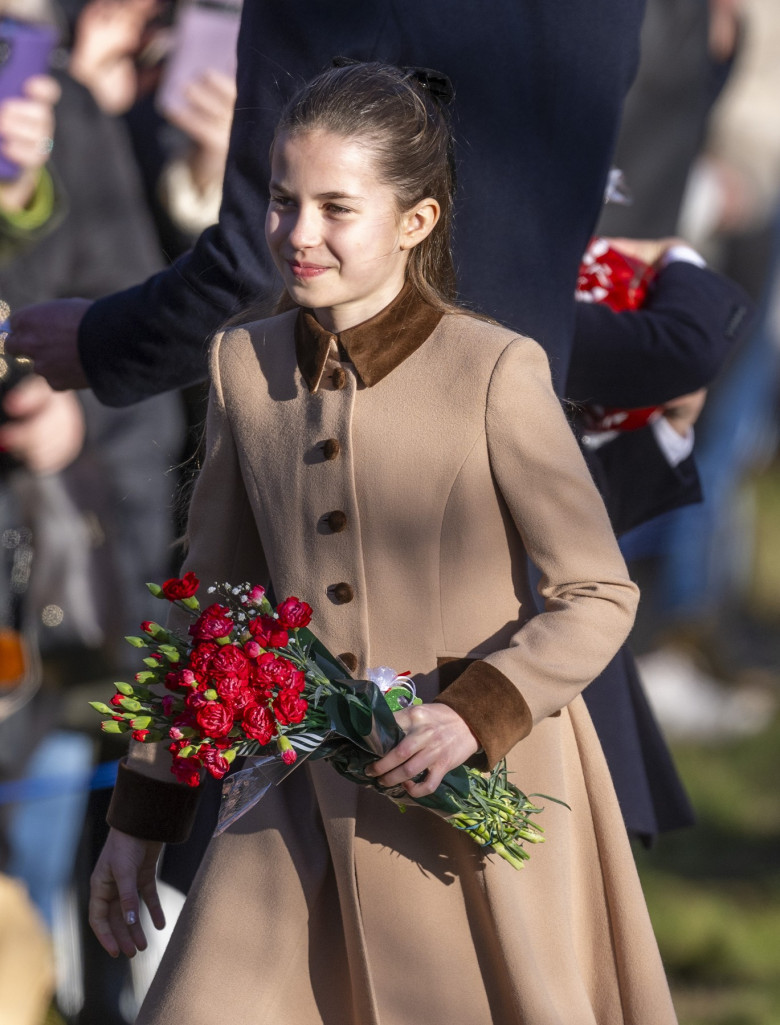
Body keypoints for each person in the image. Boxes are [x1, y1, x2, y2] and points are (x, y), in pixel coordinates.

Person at [89, 63, 677, 1025]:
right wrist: (141, 819)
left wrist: (476, 712)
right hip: (296, 793)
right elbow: (205, 609)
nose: (299, 231)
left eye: (335, 206)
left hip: (475, 788)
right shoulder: (243, 362)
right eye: (283, 200)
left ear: (416, 221)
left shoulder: (495, 370)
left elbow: (598, 593)